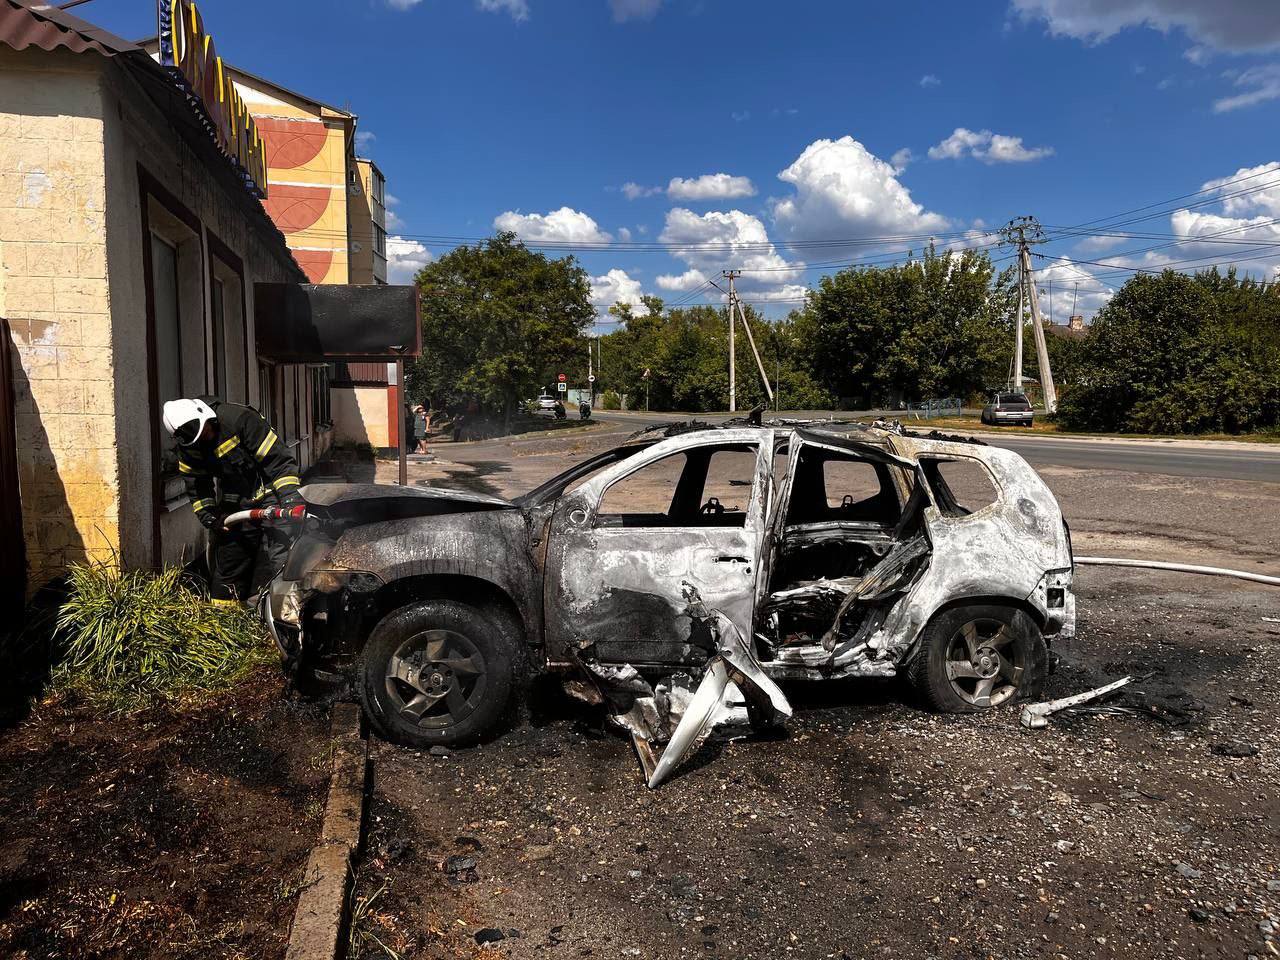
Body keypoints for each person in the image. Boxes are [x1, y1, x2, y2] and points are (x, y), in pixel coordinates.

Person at [162, 396, 302, 604]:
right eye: (198, 439)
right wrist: (211, 518)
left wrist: (290, 498)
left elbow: (278, 461)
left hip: (272, 490)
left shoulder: (240, 420)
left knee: (283, 555)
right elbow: (198, 488)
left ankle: (289, 613)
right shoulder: (189, 448)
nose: (204, 438)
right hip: (236, 500)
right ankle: (225, 620)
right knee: (230, 559)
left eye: (206, 432)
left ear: (207, 416)